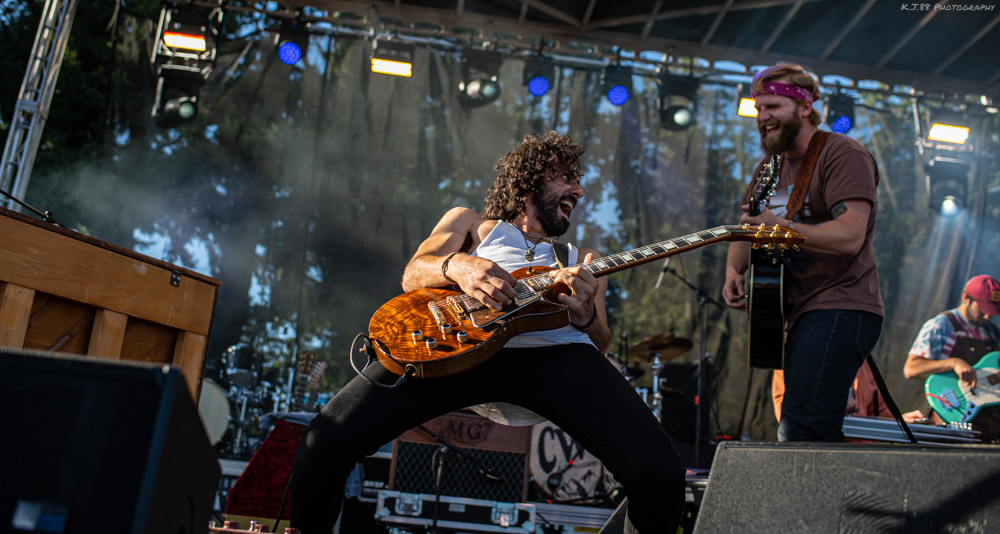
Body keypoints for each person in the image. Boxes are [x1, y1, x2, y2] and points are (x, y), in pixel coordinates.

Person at [290, 132, 686, 534]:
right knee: (322, 443)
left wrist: (585, 316)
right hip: (455, 347)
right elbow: (413, 273)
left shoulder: (583, 261)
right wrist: (459, 267)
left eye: (577, 181)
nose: (578, 190)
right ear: (529, 181)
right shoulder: (470, 225)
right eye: (566, 177)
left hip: (557, 357)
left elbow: (600, 344)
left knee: (662, 476)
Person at [722, 62, 884, 442]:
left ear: (805, 108)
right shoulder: (768, 168)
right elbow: (748, 226)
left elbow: (849, 236)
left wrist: (781, 229)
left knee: (802, 427)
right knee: (809, 425)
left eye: (773, 107)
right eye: (758, 109)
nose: (763, 117)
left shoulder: (842, 153)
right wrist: (733, 270)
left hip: (840, 304)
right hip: (792, 312)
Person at [903, 274, 1000, 442]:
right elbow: (911, 369)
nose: (987, 316)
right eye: (983, 309)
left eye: (992, 311)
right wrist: (953, 363)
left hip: (988, 426)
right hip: (950, 419)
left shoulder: (993, 332)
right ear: (965, 298)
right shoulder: (941, 325)